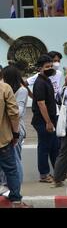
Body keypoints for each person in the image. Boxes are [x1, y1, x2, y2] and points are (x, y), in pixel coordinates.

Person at [0, 78, 30, 207]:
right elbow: (14, 113)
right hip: (3, 139)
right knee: (11, 170)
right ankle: (16, 201)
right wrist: (16, 133)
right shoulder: (5, 88)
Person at [31, 55, 60, 183]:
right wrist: (48, 122)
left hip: (51, 120)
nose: (49, 68)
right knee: (44, 148)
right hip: (43, 121)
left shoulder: (47, 80)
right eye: (46, 67)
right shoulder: (39, 83)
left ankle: (58, 172)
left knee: (54, 146)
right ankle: (44, 174)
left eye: (50, 66)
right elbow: (41, 104)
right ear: (40, 68)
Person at [1, 66, 28, 184]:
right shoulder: (6, 90)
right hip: (7, 128)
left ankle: (17, 185)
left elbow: (19, 112)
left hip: (16, 128)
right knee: (7, 161)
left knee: (15, 159)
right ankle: (7, 185)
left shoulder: (22, 91)